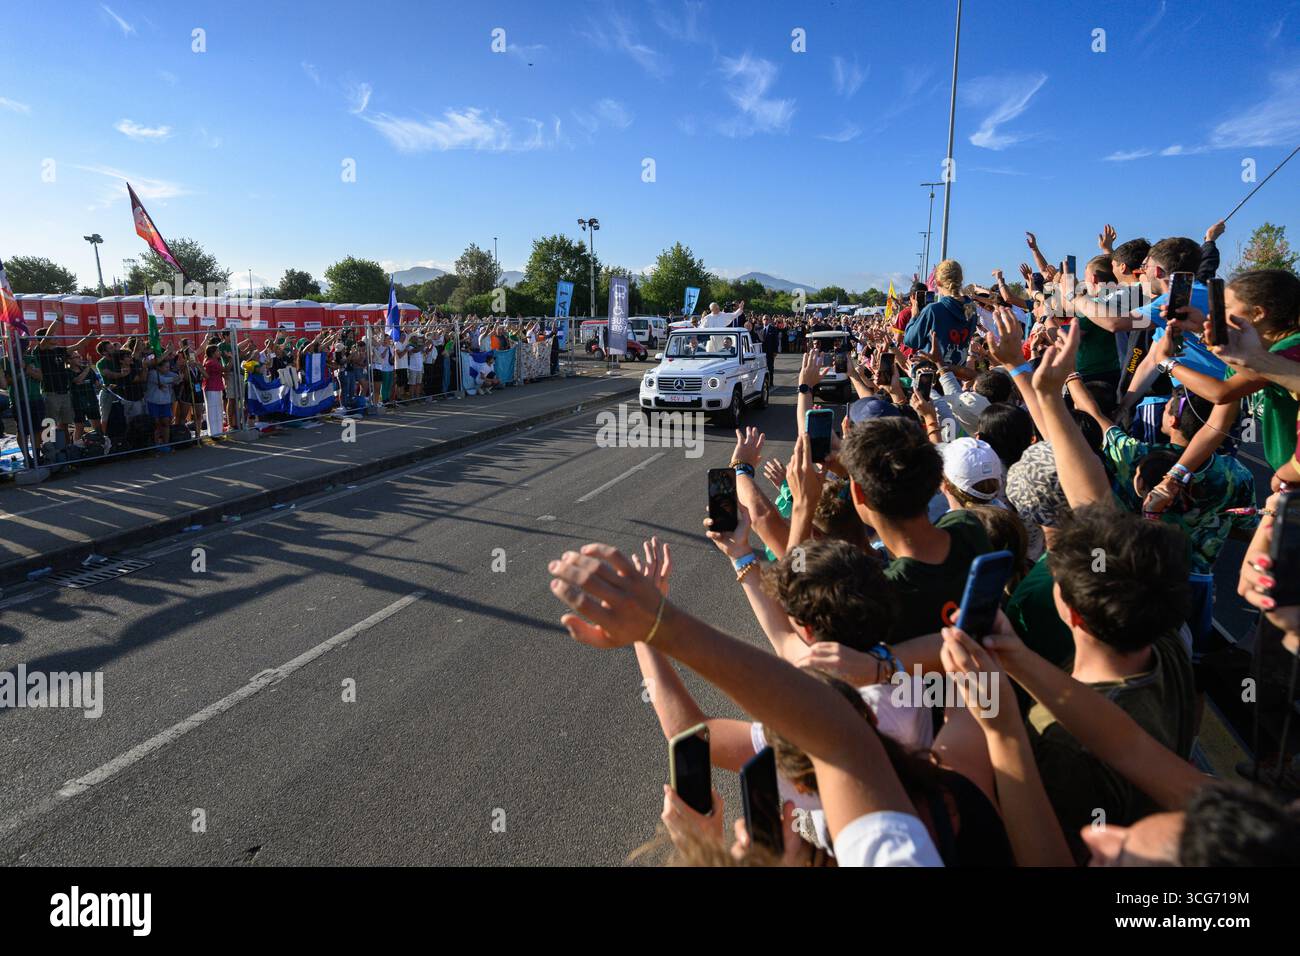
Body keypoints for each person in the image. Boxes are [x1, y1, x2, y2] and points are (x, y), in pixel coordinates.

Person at [201, 344, 226, 437]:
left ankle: (218, 432)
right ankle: (214, 433)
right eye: (217, 351)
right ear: (212, 353)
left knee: (218, 410)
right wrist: (231, 358)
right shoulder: (211, 362)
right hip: (211, 388)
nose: (219, 352)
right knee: (213, 410)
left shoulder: (214, 361)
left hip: (216, 387)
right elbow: (225, 369)